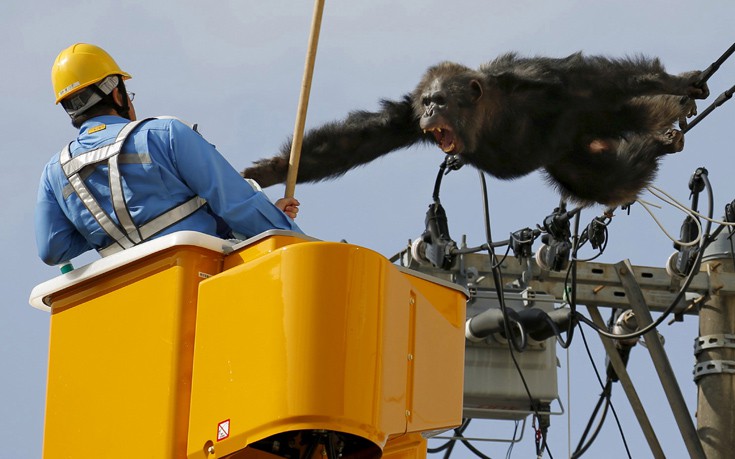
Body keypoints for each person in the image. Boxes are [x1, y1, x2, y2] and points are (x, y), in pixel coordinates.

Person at [36, 43, 302, 266]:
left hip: (130, 296)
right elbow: (237, 205)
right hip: (199, 277)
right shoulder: (163, 134)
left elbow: (53, 249)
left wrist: (104, 228)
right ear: (117, 93)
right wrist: (291, 237)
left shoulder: (54, 173)